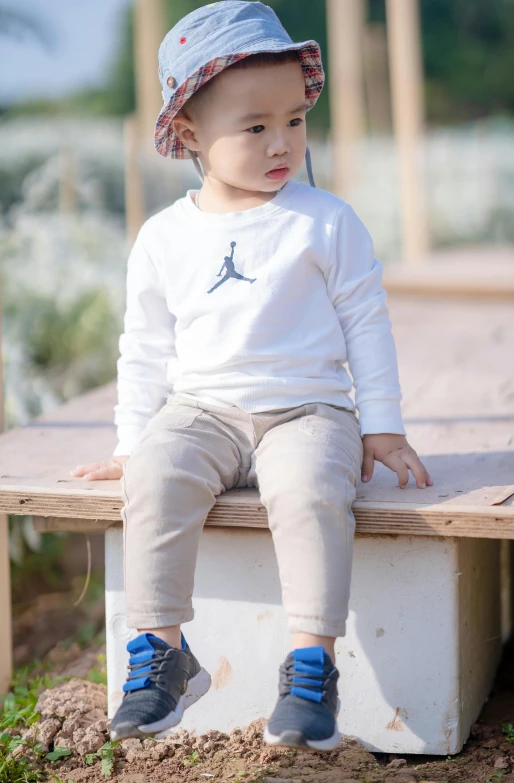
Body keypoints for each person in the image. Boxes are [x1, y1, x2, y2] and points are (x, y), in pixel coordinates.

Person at [70, 0, 432, 751]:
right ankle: (164, 653)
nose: (283, 143)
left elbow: (366, 320)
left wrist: (382, 423)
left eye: (294, 121)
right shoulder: (166, 237)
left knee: (307, 491)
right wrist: (134, 441)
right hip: (201, 408)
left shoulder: (324, 220)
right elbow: (144, 345)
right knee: (157, 475)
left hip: (309, 411)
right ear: (192, 132)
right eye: (255, 126)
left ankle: (311, 663)